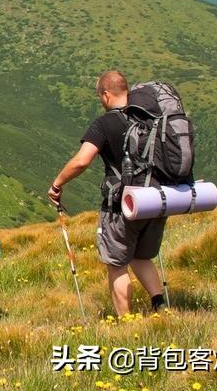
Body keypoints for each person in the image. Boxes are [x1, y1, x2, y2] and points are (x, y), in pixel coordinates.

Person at [48, 70, 168, 316]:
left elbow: (82, 161)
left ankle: (126, 323)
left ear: (105, 94)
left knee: (117, 264)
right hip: (156, 200)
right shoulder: (150, 118)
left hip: (122, 206)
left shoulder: (104, 123)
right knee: (141, 256)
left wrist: (57, 184)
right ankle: (160, 305)